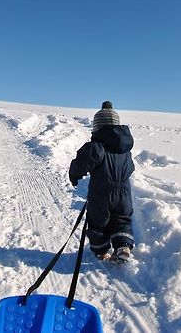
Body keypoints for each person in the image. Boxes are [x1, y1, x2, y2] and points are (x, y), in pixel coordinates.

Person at [69, 101, 135, 263]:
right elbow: (131, 168)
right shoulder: (125, 150)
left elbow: (81, 163)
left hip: (101, 193)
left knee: (98, 222)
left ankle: (102, 252)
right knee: (122, 219)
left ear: (97, 127)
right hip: (124, 193)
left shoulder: (95, 146)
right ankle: (123, 246)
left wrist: (75, 174)